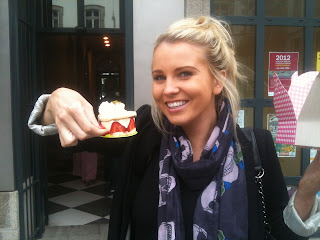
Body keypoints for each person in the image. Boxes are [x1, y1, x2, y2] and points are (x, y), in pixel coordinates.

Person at [28, 16, 320, 240]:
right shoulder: (141, 132)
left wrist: (309, 184)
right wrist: (56, 101)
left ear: (218, 80)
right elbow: (71, 132)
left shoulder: (257, 147)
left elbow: (283, 233)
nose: (168, 89)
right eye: (159, 77)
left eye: (184, 73)